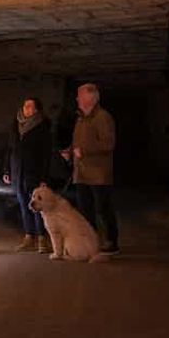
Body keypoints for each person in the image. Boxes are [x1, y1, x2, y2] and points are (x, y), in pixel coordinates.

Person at [61, 83, 119, 254]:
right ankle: (92, 242)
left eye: (80, 95)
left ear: (89, 98)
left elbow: (108, 144)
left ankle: (110, 241)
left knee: (103, 208)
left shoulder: (103, 117)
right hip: (81, 173)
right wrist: (70, 152)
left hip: (98, 174)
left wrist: (84, 151)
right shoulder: (80, 118)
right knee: (85, 210)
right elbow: (78, 142)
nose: (77, 99)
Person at [3, 98, 53, 253]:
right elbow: (10, 149)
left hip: (34, 172)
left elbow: (46, 154)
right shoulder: (15, 125)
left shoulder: (42, 127)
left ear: (36, 110)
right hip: (18, 171)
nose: (26, 108)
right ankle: (28, 236)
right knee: (24, 205)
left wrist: (44, 177)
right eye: (25, 105)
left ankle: (41, 238)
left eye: (30, 106)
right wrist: (7, 170)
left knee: (37, 206)